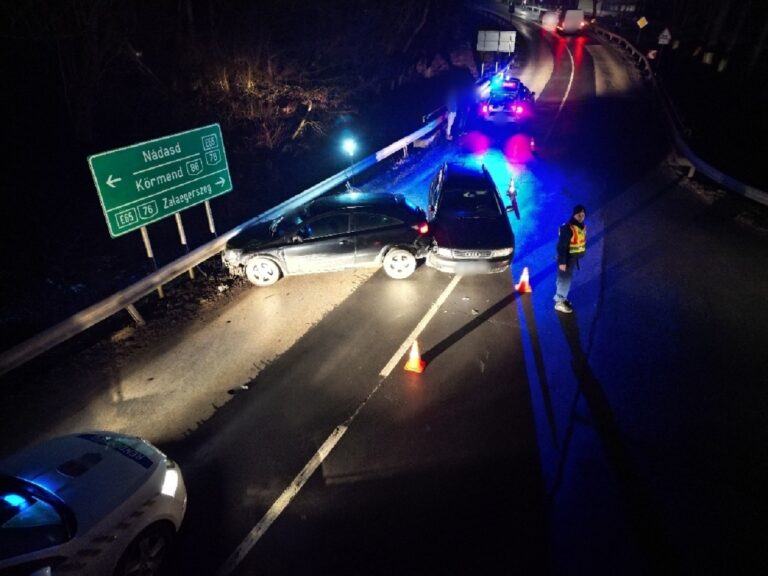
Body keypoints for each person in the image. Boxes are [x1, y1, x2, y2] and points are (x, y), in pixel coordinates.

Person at [554, 204, 587, 313]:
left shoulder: (580, 227)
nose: (581, 217)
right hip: (566, 260)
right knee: (564, 280)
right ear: (574, 215)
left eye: (583, 215)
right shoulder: (568, 228)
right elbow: (561, 246)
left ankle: (562, 298)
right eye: (579, 215)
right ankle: (559, 302)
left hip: (571, 259)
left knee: (565, 279)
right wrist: (562, 262)